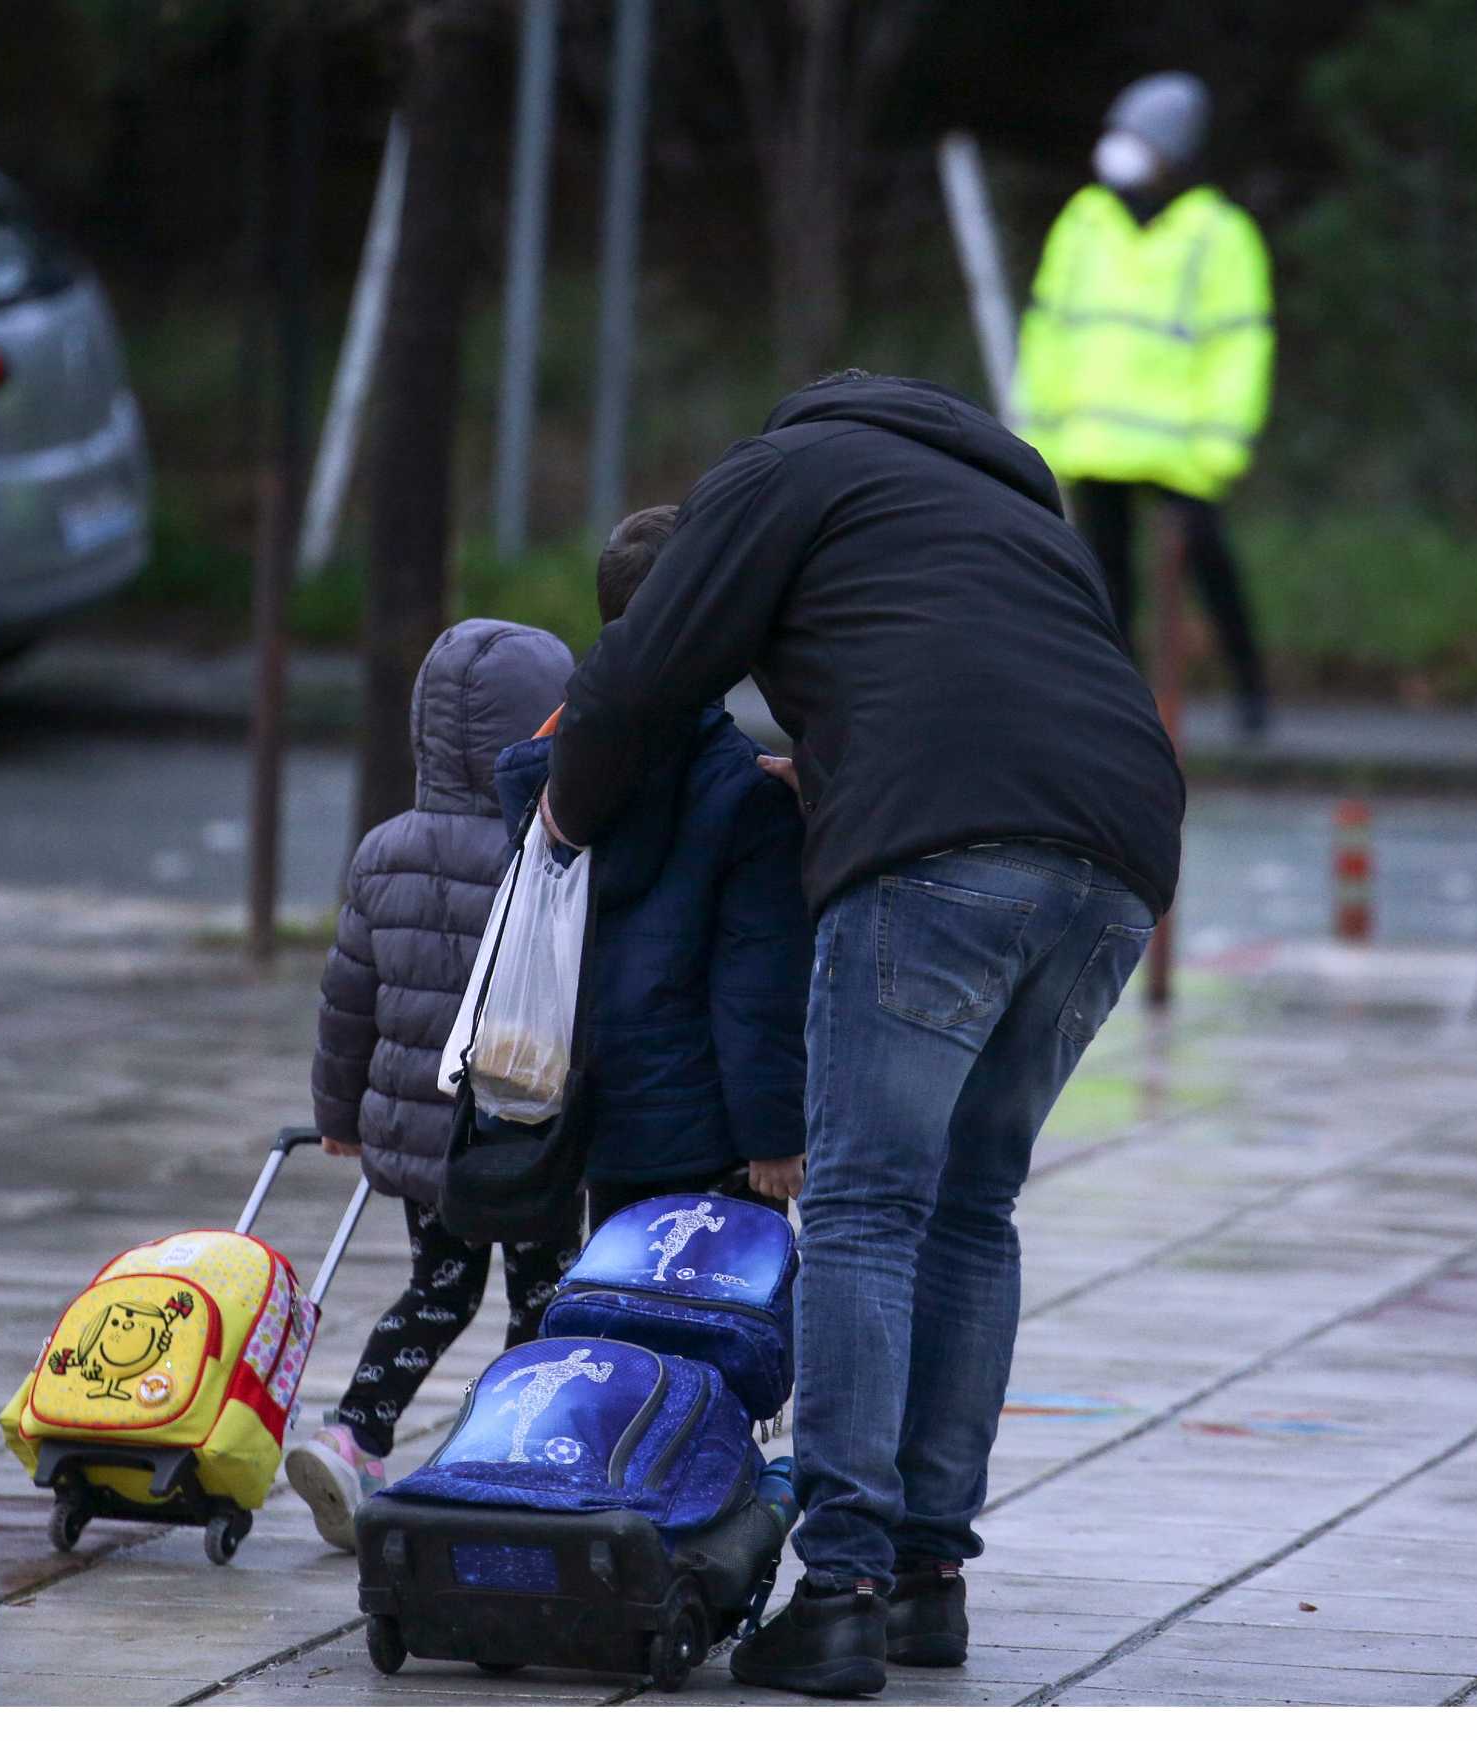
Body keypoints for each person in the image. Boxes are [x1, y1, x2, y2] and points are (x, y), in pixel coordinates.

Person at [539, 371, 1184, 1696]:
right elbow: (988, 690)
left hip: (938, 855)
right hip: (1120, 856)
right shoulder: (1015, 512)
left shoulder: (782, 472)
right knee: (970, 1208)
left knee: (869, 1211)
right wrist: (834, 771)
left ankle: (841, 1588)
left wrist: (561, 825)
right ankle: (929, 1579)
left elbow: (641, 673)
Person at [284, 618, 581, 1552]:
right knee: (542, 1297)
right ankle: (502, 1451)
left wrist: (341, 1118)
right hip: (524, 1122)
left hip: (423, 1139)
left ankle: (355, 1434)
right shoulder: (545, 847)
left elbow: (346, 1001)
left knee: (439, 1288)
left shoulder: (383, 849)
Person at [490, 505, 813, 1230]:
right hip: (708, 1132)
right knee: (714, 1324)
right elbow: (756, 979)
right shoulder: (746, 793)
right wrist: (774, 1133)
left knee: (618, 1314)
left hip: (592, 1117)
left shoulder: (550, 781)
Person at [1015, 70, 1276, 736]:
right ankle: (1114, 706)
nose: (1118, 149)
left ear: (1172, 151)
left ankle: (1252, 696)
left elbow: (1239, 348)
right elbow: (1048, 329)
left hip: (1184, 451)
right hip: (1094, 444)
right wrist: (1037, 429)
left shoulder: (1220, 234)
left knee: (1212, 570)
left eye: (1136, 138)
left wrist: (1222, 443)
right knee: (1104, 582)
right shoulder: (1085, 222)